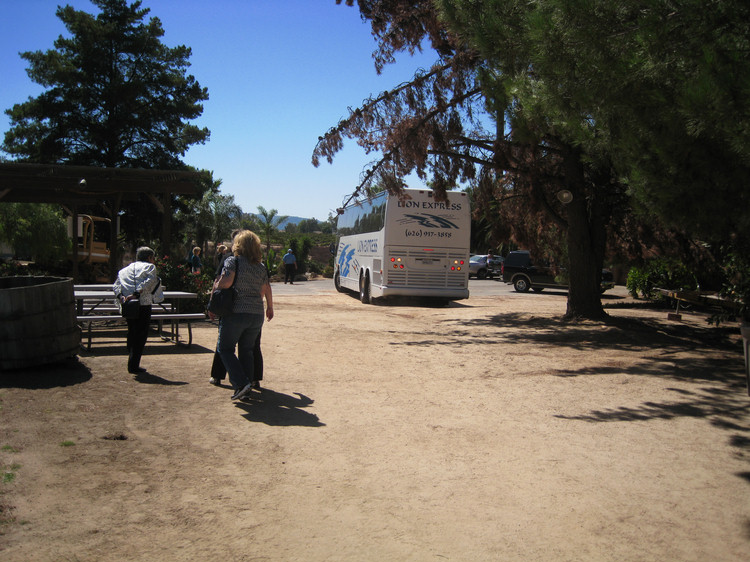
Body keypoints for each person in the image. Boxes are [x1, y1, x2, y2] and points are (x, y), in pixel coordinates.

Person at [214, 230, 274, 401]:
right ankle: (246, 387)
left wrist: (218, 284)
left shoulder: (233, 262)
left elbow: (226, 283)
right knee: (247, 350)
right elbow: (264, 290)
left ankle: (240, 383)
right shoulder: (261, 267)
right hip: (255, 314)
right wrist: (268, 306)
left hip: (236, 312)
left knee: (225, 348)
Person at [113, 246, 163, 374]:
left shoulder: (124, 270)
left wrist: (121, 297)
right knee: (141, 334)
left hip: (128, 304)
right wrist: (137, 293)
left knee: (132, 331)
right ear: (149, 257)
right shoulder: (150, 267)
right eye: (153, 258)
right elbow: (150, 281)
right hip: (143, 303)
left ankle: (131, 355)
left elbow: (116, 285)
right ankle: (134, 364)